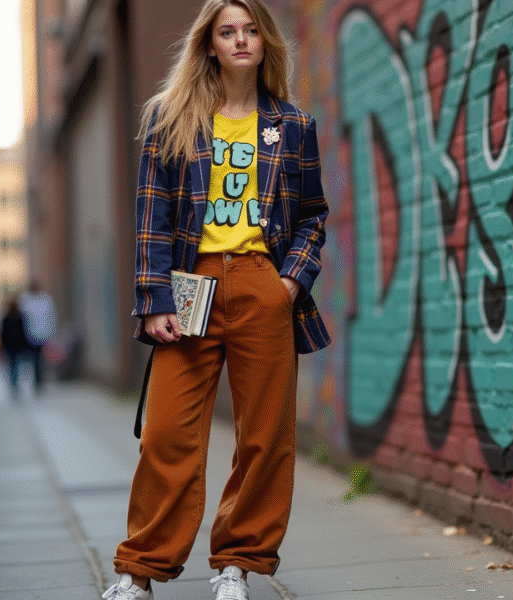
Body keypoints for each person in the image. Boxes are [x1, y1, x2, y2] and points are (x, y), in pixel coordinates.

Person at [105, 1, 330, 599]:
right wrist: (154, 299)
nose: (240, 40)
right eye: (227, 31)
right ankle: (140, 570)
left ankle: (237, 562)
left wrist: (288, 284)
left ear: (265, 41)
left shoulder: (294, 124)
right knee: (167, 434)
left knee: (265, 436)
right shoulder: (171, 118)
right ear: (209, 43)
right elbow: (152, 214)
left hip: (263, 283)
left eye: (251, 29)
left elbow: (312, 217)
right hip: (190, 287)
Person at [19, 281, 57, 391]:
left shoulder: (46, 299)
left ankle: (41, 379)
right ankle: (37, 379)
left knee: (42, 359)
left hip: (44, 334)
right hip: (30, 336)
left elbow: (51, 316)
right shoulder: (25, 299)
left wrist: (52, 333)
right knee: (35, 359)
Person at [0, 297, 28, 399]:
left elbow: (23, 332)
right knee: (14, 365)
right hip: (13, 346)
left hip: (14, 346)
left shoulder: (18, 317)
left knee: (14, 365)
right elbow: (3, 333)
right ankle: (14, 383)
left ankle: (14, 383)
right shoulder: (8, 318)